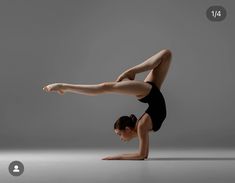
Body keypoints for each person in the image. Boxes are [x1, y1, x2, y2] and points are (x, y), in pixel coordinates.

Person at [43, 49, 172, 160]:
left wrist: (116, 157)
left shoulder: (142, 125)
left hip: (148, 93)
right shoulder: (142, 126)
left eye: (119, 134)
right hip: (151, 93)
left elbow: (142, 155)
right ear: (127, 129)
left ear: (127, 129)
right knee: (166, 54)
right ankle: (129, 75)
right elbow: (142, 155)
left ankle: (63, 86)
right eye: (119, 134)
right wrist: (119, 156)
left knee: (105, 87)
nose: (120, 138)